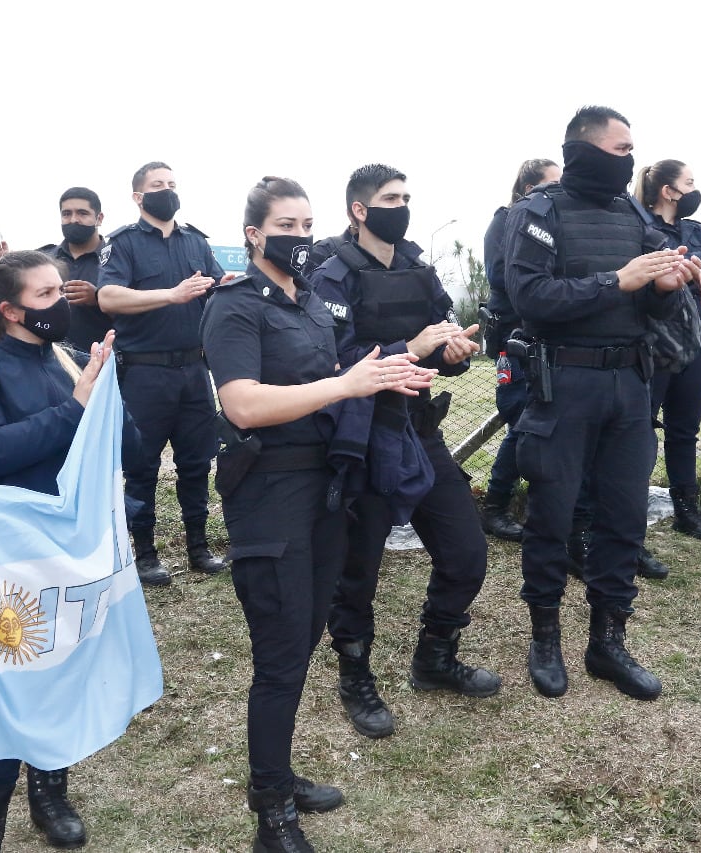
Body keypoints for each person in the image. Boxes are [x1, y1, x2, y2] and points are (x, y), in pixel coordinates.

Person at [200, 176, 433, 853]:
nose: (300, 236)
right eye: (285, 224)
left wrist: (396, 365)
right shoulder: (235, 307)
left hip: (325, 490)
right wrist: (346, 382)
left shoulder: (307, 305)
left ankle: (275, 772)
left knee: (301, 643)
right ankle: (271, 813)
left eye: (307, 225)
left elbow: (338, 375)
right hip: (269, 495)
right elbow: (242, 403)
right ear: (253, 233)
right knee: (278, 658)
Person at [0, 251, 136, 851]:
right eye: (47, 294)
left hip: (72, 556)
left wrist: (107, 400)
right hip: (6, 557)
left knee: (61, 679)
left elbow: (126, 444)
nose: (63, 303)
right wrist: (76, 407)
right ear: (11, 308)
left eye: (61, 290)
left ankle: (50, 790)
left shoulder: (71, 359)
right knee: (2, 688)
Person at [503, 105, 699, 702]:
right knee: (553, 513)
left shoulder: (633, 212)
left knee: (624, 514)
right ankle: (545, 637)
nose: (630, 160)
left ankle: (608, 640)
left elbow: (650, 302)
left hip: (630, 386)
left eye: (633, 150)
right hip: (563, 384)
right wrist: (619, 280)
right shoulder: (537, 213)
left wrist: (664, 289)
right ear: (582, 150)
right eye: (620, 150)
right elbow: (530, 297)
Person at [309, 163, 499, 741]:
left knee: (466, 554)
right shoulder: (330, 274)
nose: (404, 205)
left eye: (407, 196)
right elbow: (329, 362)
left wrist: (453, 348)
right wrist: (408, 349)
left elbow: (438, 331)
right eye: (392, 198)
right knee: (357, 571)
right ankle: (355, 674)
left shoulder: (418, 264)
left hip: (418, 430)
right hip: (360, 436)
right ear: (359, 210)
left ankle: (435, 657)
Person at [96, 161, 232, 586]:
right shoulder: (123, 244)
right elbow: (108, 296)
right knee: (142, 467)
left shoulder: (195, 241)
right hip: (145, 374)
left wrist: (227, 283)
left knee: (196, 463)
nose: (167, 191)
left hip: (193, 371)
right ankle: (145, 554)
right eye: (158, 185)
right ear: (139, 196)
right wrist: (171, 295)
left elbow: (213, 287)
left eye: (172, 184)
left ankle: (198, 547)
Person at [634, 160, 701, 543]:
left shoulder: (696, 230)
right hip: (653, 341)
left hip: (698, 337)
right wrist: (685, 268)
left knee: (685, 427)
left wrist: (691, 264)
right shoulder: (640, 226)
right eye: (688, 183)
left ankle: (687, 510)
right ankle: (631, 513)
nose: (694, 189)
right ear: (668, 191)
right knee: (640, 428)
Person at [479, 158, 562, 542]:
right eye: (552, 183)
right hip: (513, 340)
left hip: (546, 339)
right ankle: (495, 506)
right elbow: (503, 275)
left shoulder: (554, 223)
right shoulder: (506, 221)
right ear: (529, 188)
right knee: (520, 420)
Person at [39, 187, 113, 353]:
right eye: (66, 214)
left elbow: (138, 317)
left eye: (82, 213)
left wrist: (98, 298)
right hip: (49, 360)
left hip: (103, 361)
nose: (74, 220)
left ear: (99, 218)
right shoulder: (43, 260)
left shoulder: (117, 260)